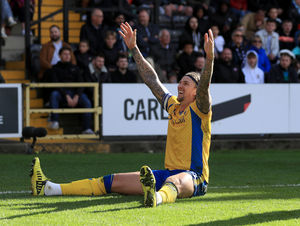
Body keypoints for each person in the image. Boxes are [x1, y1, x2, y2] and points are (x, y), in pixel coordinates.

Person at [30, 22, 215, 208]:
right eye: (180, 82)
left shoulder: (200, 109)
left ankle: (156, 199)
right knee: (111, 181)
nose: (180, 86)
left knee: (174, 183)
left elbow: (204, 87)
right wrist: (134, 48)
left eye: (186, 84)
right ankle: (49, 188)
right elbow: (152, 80)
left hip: (194, 177)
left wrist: (209, 59)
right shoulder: (173, 106)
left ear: (196, 91)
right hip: (166, 173)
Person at [47, 47, 93, 134]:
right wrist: (66, 96)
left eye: (69, 54)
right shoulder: (55, 69)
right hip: (61, 94)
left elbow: (81, 83)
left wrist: (76, 96)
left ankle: (87, 128)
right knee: (54, 95)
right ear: (60, 56)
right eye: (65, 54)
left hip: (75, 94)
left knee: (86, 101)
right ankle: (55, 121)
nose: (67, 56)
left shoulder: (76, 68)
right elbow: (55, 84)